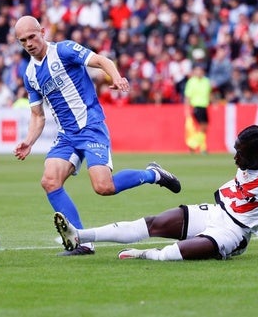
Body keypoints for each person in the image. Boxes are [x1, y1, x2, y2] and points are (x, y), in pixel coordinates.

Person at [13, 16, 181, 256]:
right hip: (67, 135)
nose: (29, 43)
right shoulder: (30, 74)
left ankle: (153, 174)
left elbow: (101, 60)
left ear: (42, 31)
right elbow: (37, 116)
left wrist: (117, 77)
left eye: (32, 36)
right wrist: (28, 142)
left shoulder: (64, 50)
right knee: (49, 181)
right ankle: (82, 241)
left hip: (90, 126)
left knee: (104, 187)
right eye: (23, 40)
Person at [55, 109, 258, 261]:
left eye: (241, 154)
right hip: (217, 211)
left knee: (183, 252)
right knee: (153, 223)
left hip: (235, 232)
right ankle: (80, 235)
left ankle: (147, 255)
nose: (235, 157)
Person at [184, 64, 212, 154]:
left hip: (204, 106)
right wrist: (187, 108)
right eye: (197, 70)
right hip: (196, 106)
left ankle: (200, 147)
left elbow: (209, 94)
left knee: (203, 127)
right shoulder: (191, 82)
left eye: (200, 70)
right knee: (203, 126)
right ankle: (193, 144)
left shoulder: (206, 81)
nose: (199, 72)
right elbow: (187, 96)